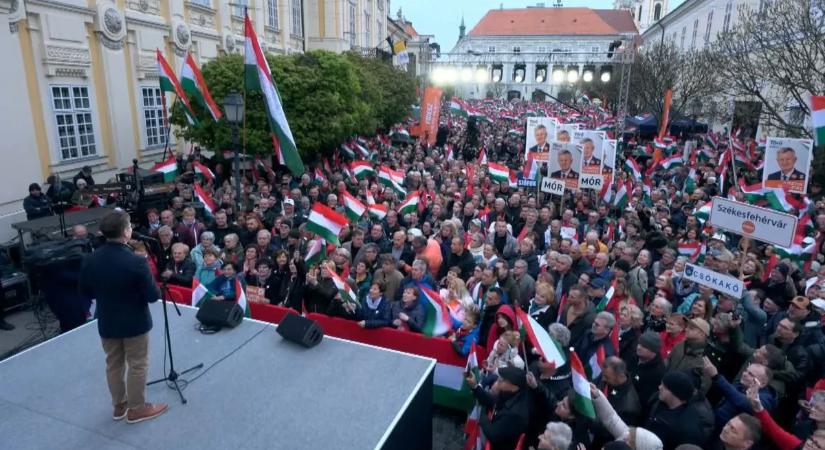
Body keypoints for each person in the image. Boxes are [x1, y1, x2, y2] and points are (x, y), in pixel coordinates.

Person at [78, 210, 168, 424]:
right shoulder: (136, 261)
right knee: (137, 364)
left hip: (107, 321)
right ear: (126, 232)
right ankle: (137, 409)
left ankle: (119, 407)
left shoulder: (90, 259)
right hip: (134, 322)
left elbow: (86, 292)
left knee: (113, 364)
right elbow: (153, 296)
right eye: (129, 226)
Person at [465, 366, 530, 450]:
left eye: (503, 379)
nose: (498, 380)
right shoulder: (512, 394)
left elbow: (493, 434)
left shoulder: (514, 413)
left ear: (514, 386)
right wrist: (475, 387)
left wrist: (482, 414)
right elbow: (493, 401)